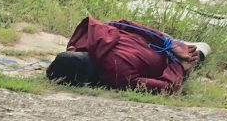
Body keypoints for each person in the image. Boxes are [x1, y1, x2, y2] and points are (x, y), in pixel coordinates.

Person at [46, 17, 210, 94]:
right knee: (205, 48)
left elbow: (125, 24)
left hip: (169, 47)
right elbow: (166, 87)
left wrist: (170, 43)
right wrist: (178, 65)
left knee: (203, 47)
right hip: (173, 57)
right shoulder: (92, 34)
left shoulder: (116, 70)